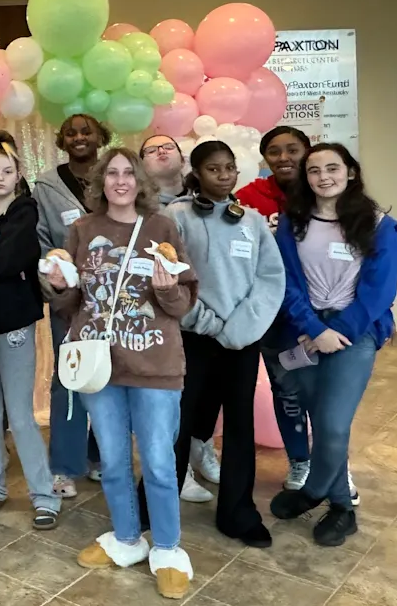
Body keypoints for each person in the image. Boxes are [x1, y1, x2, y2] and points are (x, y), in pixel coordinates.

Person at [45, 148, 198, 600]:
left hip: (155, 365)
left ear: (140, 180)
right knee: (111, 460)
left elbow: (183, 303)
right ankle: (127, 539)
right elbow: (69, 305)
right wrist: (58, 287)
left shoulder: (161, 228)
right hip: (100, 367)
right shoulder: (82, 229)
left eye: (127, 173)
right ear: (100, 181)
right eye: (111, 173)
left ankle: (168, 548)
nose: (120, 181)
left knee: (157, 462)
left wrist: (167, 290)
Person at [149, 141, 284, 547]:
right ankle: (155, 504)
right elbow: (169, 279)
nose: (223, 176)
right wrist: (207, 323)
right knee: (176, 424)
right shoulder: (175, 217)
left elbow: (270, 279)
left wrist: (240, 329)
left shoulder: (253, 222)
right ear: (197, 172)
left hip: (240, 342)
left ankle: (239, 513)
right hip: (192, 338)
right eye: (214, 169)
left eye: (230, 169)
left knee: (239, 427)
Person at [269, 143, 397, 547]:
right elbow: (287, 282)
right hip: (305, 332)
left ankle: (313, 492)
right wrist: (313, 327)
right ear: (305, 178)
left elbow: (380, 291)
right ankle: (342, 506)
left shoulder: (378, 224)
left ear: (350, 172)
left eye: (332, 168)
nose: (323, 176)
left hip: (354, 332)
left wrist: (336, 331)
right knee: (318, 421)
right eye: (314, 170)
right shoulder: (292, 223)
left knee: (333, 426)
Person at [0, 132, 61, 530]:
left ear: (18, 174)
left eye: (7, 171)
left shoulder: (26, 211)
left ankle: (44, 496)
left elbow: (6, 261)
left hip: (14, 322)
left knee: (20, 413)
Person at [237, 126, 328, 494]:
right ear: (264, 158)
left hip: (323, 316)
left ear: (308, 151)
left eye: (293, 149)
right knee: (287, 390)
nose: (284, 157)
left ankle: (333, 463)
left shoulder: (325, 194)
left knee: (327, 395)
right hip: (274, 317)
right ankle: (300, 462)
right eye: (274, 151)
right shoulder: (248, 197)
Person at [33, 113, 109, 498]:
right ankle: (64, 466)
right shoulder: (46, 185)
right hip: (68, 300)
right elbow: (40, 240)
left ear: (100, 137)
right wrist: (60, 281)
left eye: (87, 131)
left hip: (114, 300)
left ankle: (101, 457)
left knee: (110, 377)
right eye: (71, 133)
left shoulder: (117, 177)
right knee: (69, 380)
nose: (79, 137)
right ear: (62, 140)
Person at [141, 134, 221, 490]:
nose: (161, 151)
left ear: (182, 157)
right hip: (167, 317)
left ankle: (200, 448)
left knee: (209, 391)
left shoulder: (212, 201)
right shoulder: (141, 210)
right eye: (151, 149)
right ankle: (177, 465)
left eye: (167, 146)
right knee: (177, 397)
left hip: (211, 315)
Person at [140, 134, 189, 205]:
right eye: (151, 151)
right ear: (142, 166)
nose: (161, 151)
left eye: (169, 147)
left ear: (182, 160)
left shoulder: (204, 192)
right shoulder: (140, 207)